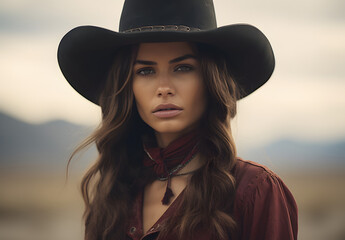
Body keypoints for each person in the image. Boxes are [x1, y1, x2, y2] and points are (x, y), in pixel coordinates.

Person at [58, 0, 298, 239]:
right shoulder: (110, 197)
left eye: (182, 68)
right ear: (127, 87)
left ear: (210, 80)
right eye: (145, 71)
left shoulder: (255, 190)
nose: (164, 88)